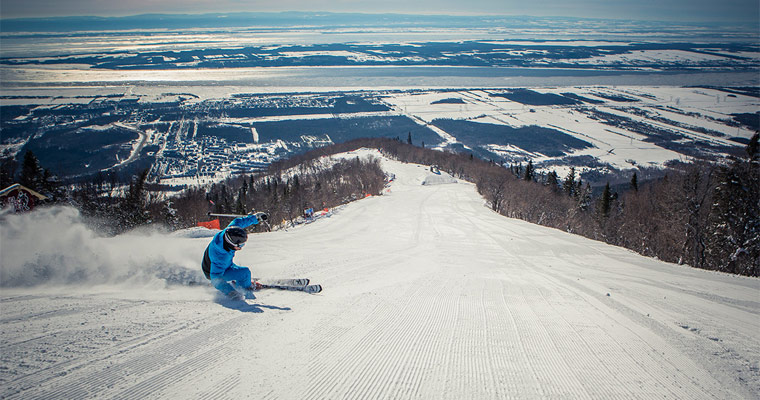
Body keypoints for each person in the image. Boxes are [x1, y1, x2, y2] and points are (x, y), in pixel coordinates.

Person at [202, 212, 268, 300]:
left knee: (245, 273)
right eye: (240, 245)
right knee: (244, 273)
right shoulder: (220, 256)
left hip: (226, 265)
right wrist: (231, 292)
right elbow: (215, 278)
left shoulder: (229, 231)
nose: (241, 247)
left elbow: (239, 222)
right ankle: (244, 288)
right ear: (232, 244)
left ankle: (243, 283)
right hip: (212, 272)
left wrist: (256, 218)